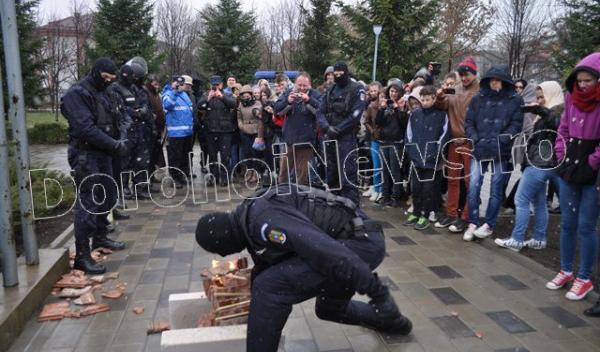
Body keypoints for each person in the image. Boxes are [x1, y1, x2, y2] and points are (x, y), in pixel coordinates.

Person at [195, 184, 413, 352]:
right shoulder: (249, 216)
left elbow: (325, 251)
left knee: (269, 288)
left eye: (223, 251)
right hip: (350, 239)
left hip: (359, 243)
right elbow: (266, 263)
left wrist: (379, 293)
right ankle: (391, 321)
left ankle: (386, 309)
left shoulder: (264, 221)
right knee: (328, 309)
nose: (226, 255)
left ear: (224, 242)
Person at [61, 58, 127, 274]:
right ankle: (82, 255)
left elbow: (116, 117)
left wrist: (121, 137)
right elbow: (85, 128)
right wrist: (114, 144)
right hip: (86, 154)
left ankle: (100, 238)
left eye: (112, 79)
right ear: (96, 72)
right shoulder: (77, 93)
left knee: (107, 197)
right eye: (105, 78)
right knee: (88, 202)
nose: (108, 82)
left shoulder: (105, 92)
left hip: (104, 153)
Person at [547, 52, 600, 303]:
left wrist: (593, 161)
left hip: (592, 169)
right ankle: (566, 270)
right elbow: (563, 128)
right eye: (579, 80)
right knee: (567, 222)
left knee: (586, 226)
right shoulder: (571, 98)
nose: (583, 85)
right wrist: (561, 151)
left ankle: (584, 276)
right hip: (570, 163)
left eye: (588, 80)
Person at [494, 81, 563, 251]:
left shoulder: (556, 111)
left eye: (542, 97)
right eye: (538, 97)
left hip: (539, 163)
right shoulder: (551, 111)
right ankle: (539, 239)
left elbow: (554, 122)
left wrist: (538, 109)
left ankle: (517, 239)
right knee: (538, 201)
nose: (539, 100)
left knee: (521, 200)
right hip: (543, 163)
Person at [463, 64, 524, 241]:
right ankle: (473, 222)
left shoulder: (515, 100)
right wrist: (475, 138)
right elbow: (469, 122)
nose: (494, 83)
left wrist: (503, 138)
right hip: (480, 148)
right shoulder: (478, 98)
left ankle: (489, 224)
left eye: (497, 80)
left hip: (500, 150)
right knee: (474, 186)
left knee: (496, 188)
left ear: (505, 81)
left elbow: (516, 124)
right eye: (491, 79)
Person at [434, 57, 480, 232]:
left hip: (470, 142)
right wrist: (439, 96)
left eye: (467, 74)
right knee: (453, 179)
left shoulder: (480, 91)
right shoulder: (455, 89)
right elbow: (442, 105)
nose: (464, 77)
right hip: (454, 141)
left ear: (474, 74)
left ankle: (466, 217)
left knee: (470, 182)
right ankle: (452, 214)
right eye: (461, 74)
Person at [317, 62, 367, 204]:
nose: (338, 76)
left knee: (347, 175)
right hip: (329, 137)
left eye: (340, 74)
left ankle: (352, 209)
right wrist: (327, 128)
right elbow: (320, 111)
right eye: (335, 74)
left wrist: (337, 130)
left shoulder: (357, 89)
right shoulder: (331, 90)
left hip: (346, 138)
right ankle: (335, 207)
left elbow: (355, 115)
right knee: (331, 174)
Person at [404, 86, 449, 230]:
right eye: (422, 99)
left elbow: (444, 136)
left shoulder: (442, 115)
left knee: (428, 189)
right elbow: (408, 135)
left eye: (428, 99)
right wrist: (412, 152)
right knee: (415, 188)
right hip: (417, 158)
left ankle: (425, 214)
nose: (424, 102)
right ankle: (416, 212)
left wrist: (435, 153)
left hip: (431, 160)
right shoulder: (415, 114)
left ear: (434, 98)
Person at [275, 72, 321, 185]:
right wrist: (288, 101)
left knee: (303, 175)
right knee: (284, 173)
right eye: (299, 85)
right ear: (295, 83)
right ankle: (283, 197)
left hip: (307, 140)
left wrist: (309, 100)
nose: (301, 88)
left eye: (304, 85)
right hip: (289, 139)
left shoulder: (315, 94)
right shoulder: (288, 93)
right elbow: (276, 108)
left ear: (309, 84)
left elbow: (322, 108)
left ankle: (301, 198)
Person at [198, 75, 238, 186]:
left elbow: (234, 104)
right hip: (210, 130)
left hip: (225, 131)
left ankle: (225, 177)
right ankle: (213, 177)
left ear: (221, 85)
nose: (215, 87)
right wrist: (208, 98)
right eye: (213, 85)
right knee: (212, 156)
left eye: (217, 85)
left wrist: (222, 97)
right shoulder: (206, 95)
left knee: (225, 156)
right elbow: (200, 106)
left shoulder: (228, 95)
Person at [375, 82, 409, 207]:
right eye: (391, 91)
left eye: (396, 91)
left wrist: (398, 109)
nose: (393, 93)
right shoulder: (386, 105)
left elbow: (403, 123)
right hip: (384, 141)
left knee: (395, 170)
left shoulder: (401, 105)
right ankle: (385, 195)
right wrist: (382, 108)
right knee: (384, 170)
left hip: (396, 143)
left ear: (400, 93)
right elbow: (378, 122)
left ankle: (396, 196)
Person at [162, 76, 194, 187]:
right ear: (172, 83)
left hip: (187, 132)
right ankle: (175, 178)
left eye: (181, 83)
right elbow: (167, 105)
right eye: (177, 83)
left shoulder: (184, 94)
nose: (180, 85)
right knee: (175, 157)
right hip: (175, 133)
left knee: (185, 157)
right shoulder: (168, 94)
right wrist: (175, 91)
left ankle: (183, 176)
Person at [237, 84, 265, 183]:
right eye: (243, 96)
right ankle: (249, 171)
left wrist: (260, 135)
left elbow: (259, 116)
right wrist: (241, 126)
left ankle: (256, 172)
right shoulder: (240, 104)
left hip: (255, 131)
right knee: (247, 153)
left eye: (247, 95)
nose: (245, 97)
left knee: (255, 153)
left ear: (251, 94)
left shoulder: (257, 103)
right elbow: (239, 117)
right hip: (244, 131)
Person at [362, 82, 383, 202]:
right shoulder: (371, 105)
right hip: (374, 138)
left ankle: (382, 190)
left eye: (376, 91)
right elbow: (366, 121)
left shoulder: (386, 105)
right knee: (375, 165)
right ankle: (375, 188)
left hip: (385, 139)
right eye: (371, 91)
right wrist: (372, 131)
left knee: (383, 166)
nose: (373, 93)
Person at [144, 75, 166, 179]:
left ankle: (152, 176)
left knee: (155, 155)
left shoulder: (157, 94)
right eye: (155, 83)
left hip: (158, 129)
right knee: (149, 156)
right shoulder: (146, 93)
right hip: (149, 129)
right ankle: (148, 178)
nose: (157, 86)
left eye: (158, 83)